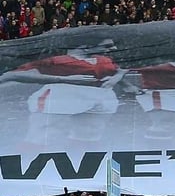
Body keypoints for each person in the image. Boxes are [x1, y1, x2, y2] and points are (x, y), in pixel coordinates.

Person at [0, 39, 130, 146]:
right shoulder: (56, 60)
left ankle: (81, 166)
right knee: (45, 134)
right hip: (60, 95)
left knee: (89, 132)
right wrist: (65, 79)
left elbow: (120, 70)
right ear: (86, 45)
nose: (113, 49)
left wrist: (118, 79)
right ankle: (27, 165)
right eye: (107, 46)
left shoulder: (103, 60)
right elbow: (11, 75)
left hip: (99, 97)